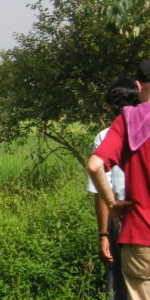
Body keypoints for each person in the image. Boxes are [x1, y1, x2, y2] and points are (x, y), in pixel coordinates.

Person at [88, 60, 150, 299]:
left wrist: (111, 202)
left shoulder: (128, 121)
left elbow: (95, 166)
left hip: (141, 237)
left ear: (138, 85)